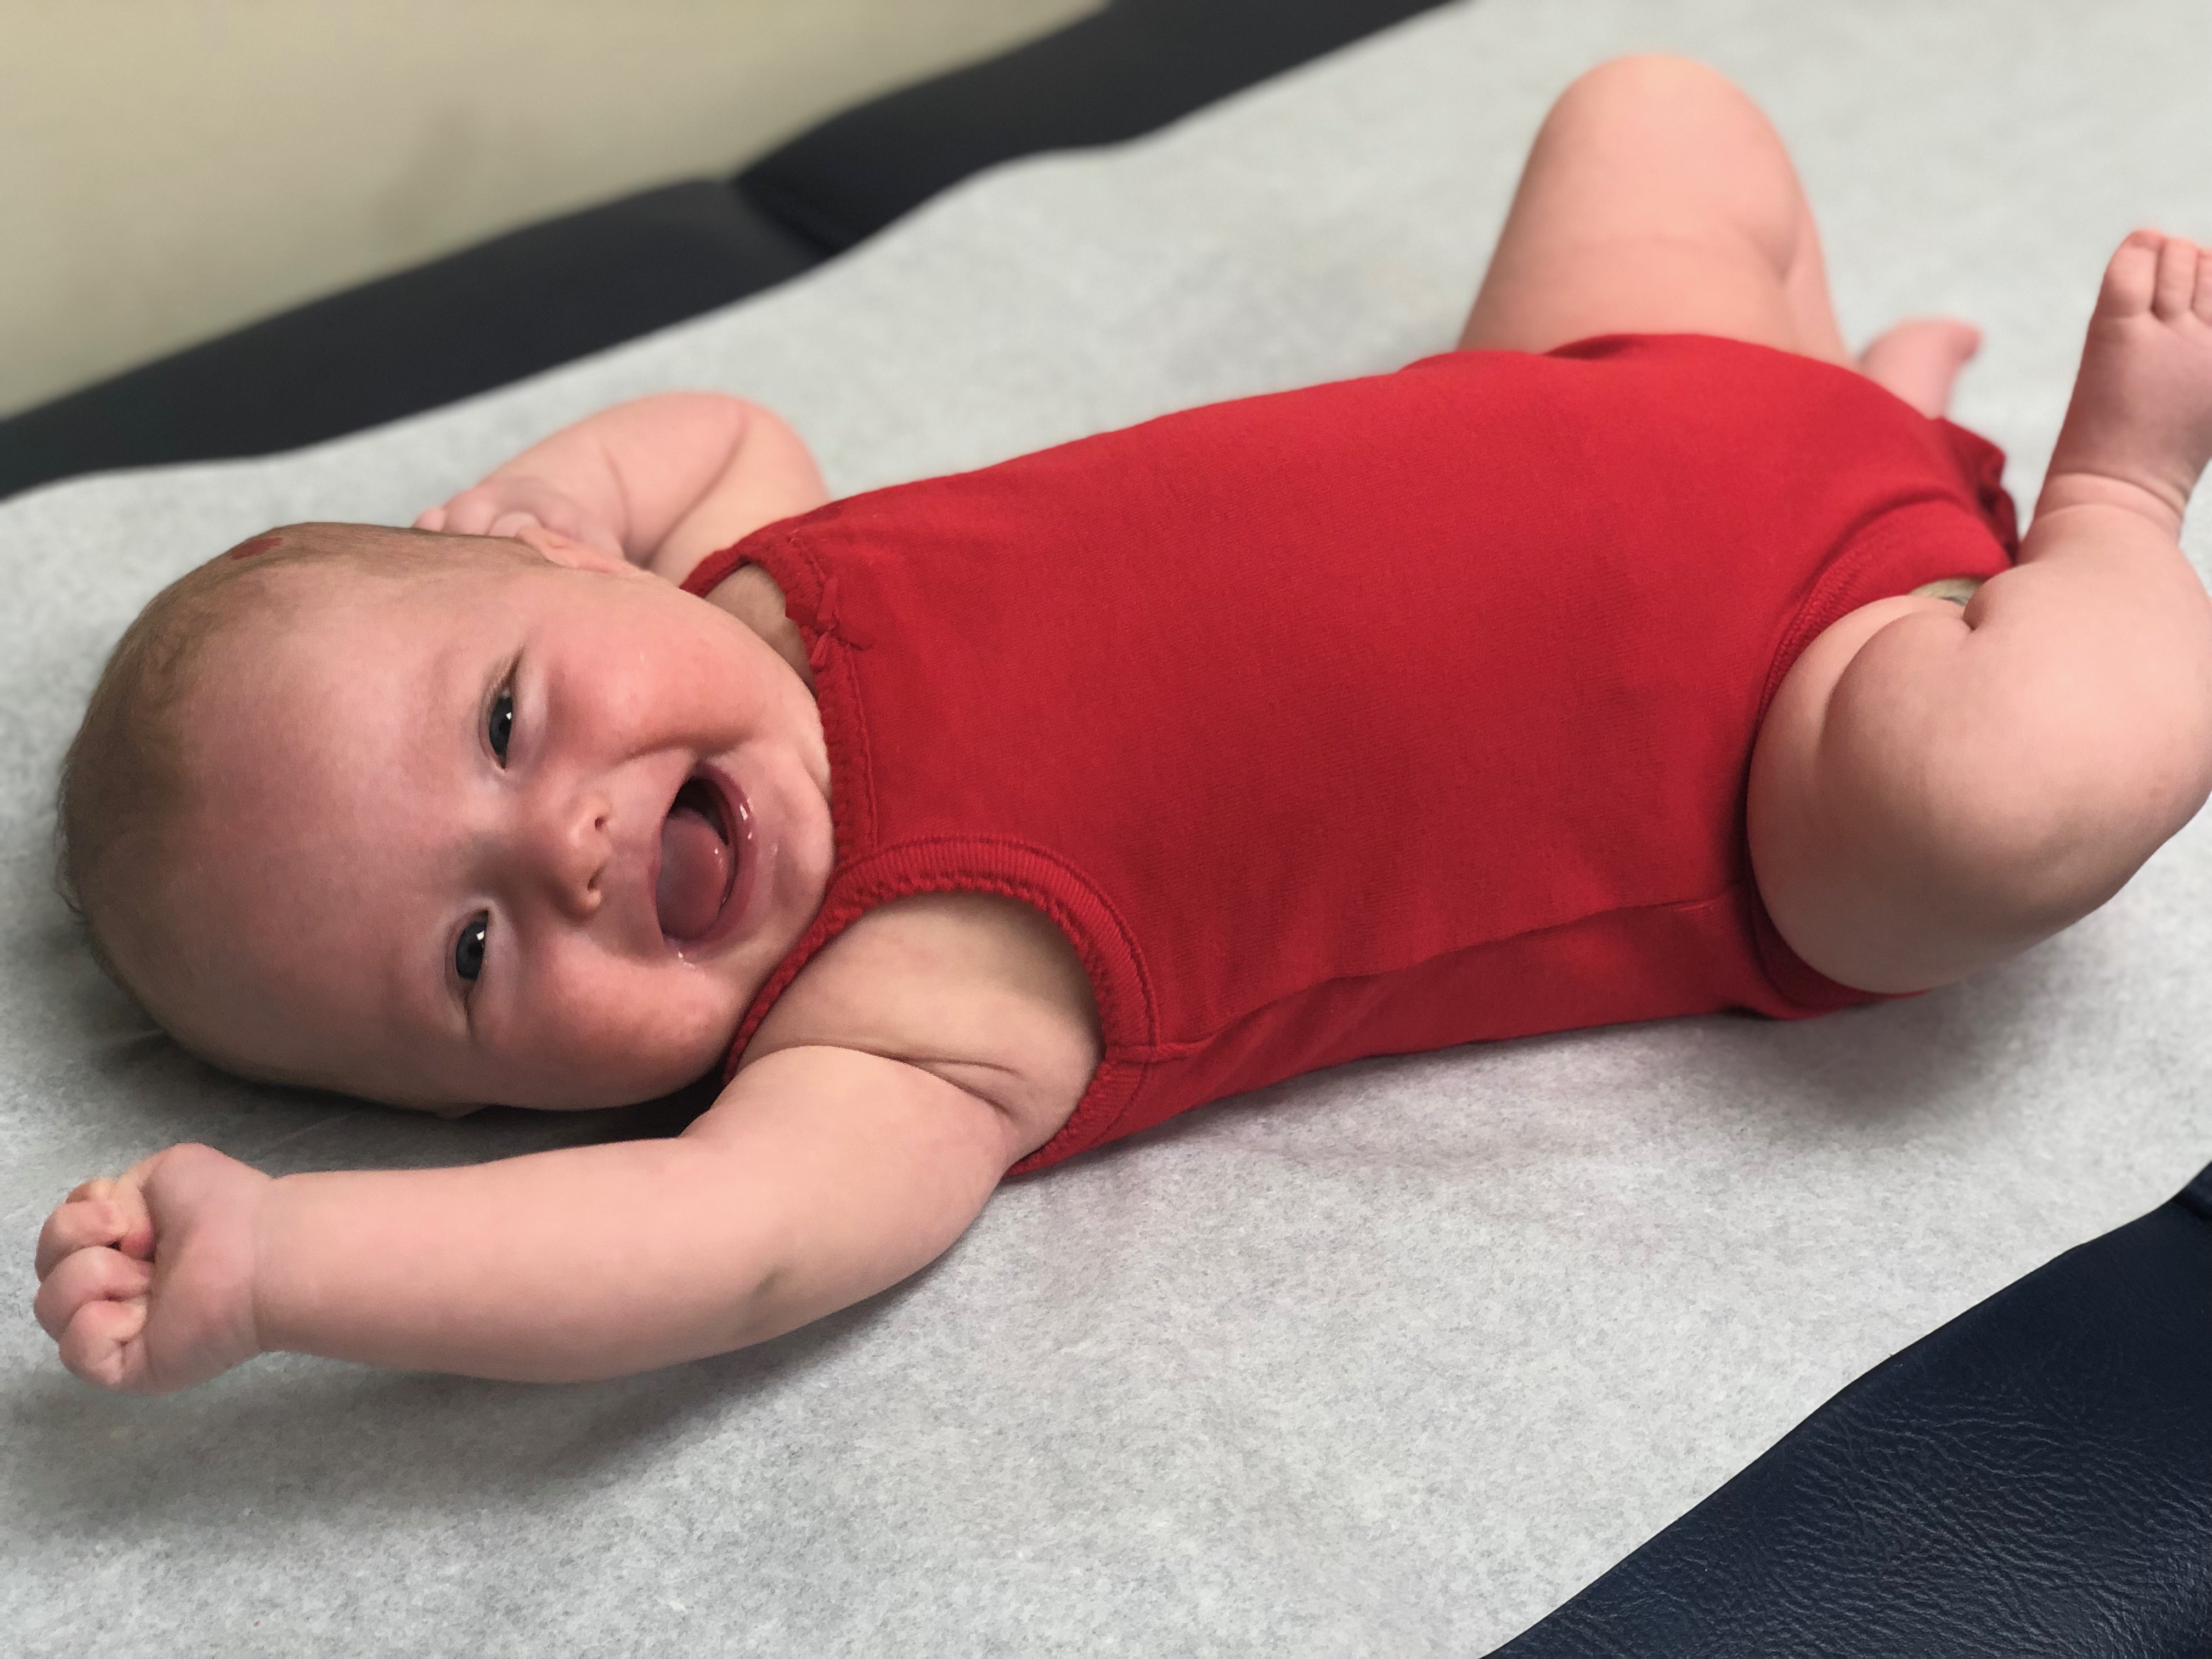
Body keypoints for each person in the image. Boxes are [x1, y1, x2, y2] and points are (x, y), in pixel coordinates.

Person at [32, 57, 2212, 1395]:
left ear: (569, 575)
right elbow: (719, 1252)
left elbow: (718, 425)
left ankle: (1870, 418)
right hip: (1793, 749)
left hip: (1627, 379)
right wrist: (293, 1262)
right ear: (486, 1111)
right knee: (1994, 799)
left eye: (509, 717)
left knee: (1648, 112)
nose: (564, 848)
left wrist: (564, 496)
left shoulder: (741, 582)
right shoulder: (888, 1036)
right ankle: (2104, 517)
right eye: (471, 957)